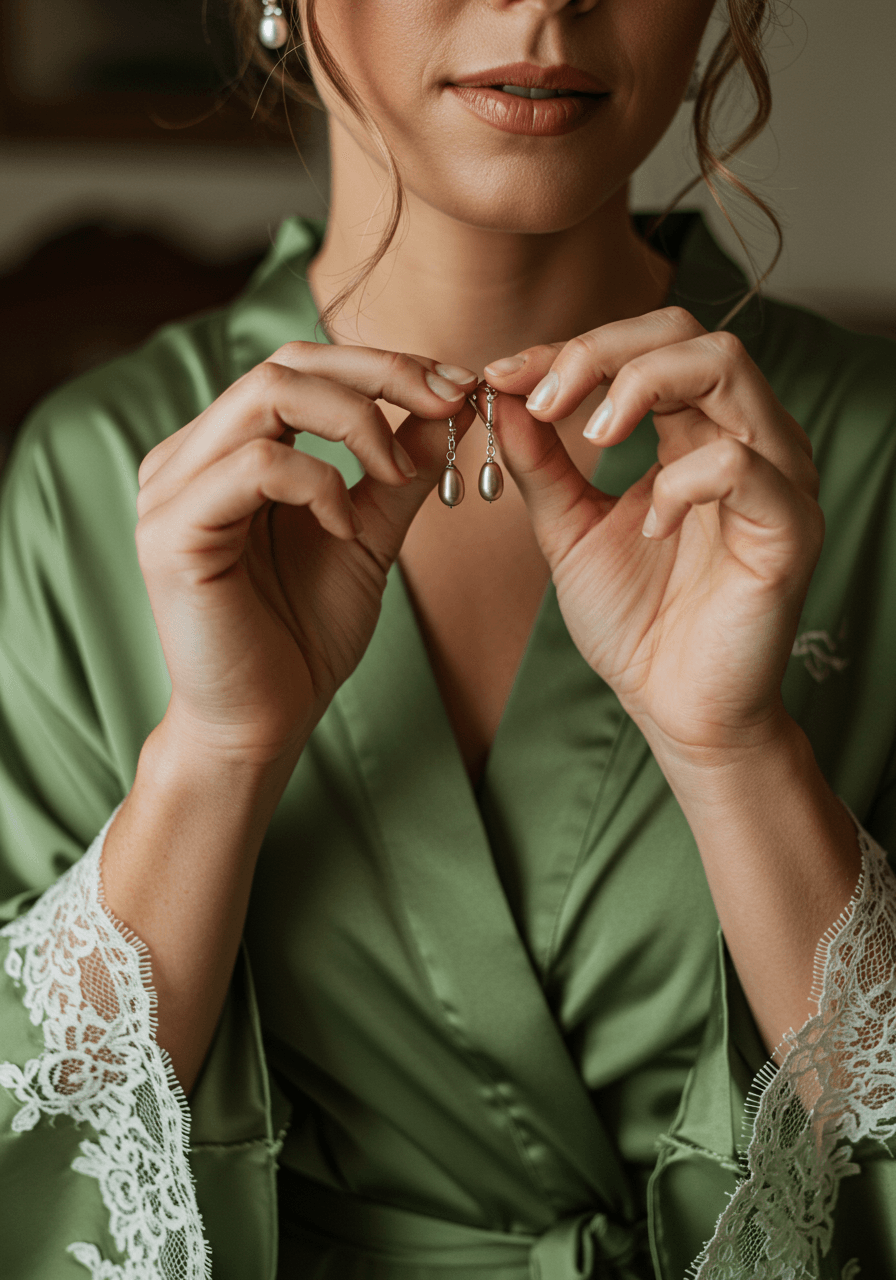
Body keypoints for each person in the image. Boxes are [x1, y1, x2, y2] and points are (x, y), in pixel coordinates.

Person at [1, 0, 894, 1277]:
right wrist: (213, 754)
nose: (542, 1)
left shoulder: (868, 460)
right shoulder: (85, 479)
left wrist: (733, 753)